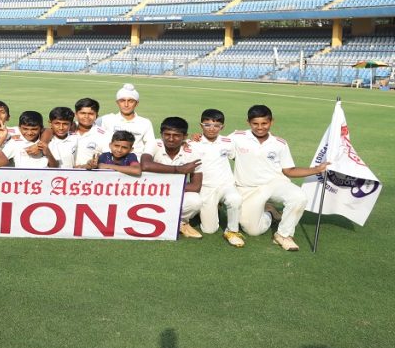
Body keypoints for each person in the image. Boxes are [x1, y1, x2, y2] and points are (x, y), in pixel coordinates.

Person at [230, 105, 329, 252]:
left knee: (299, 197)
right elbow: (217, 146)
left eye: (264, 123)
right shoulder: (237, 137)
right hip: (248, 188)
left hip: (274, 183)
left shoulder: (279, 143)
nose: (260, 127)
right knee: (253, 231)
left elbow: (289, 170)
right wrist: (197, 138)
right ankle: (269, 211)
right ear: (248, 122)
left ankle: (283, 235)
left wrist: (316, 170)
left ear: (271, 122)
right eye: (255, 124)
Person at [138, 117, 205, 240]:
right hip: (152, 192)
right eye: (167, 134)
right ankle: (160, 221)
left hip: (176, 192)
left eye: (176, 135)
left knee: (195, 201)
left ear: (185, 136)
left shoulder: (193, 151)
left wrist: (168, 188)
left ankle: (181, 223)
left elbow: (196, 186)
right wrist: (179, 169)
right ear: (161, 134)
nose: (171, 139)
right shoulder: (154, 143)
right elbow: (145, 165)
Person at [190, 109, 245, 247]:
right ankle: (212, 208)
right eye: (207, 125)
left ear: (222, 127)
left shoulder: (228, 142)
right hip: (205, 187)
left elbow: (237, 156)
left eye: (216, 125)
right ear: (201, 125)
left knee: (235, 199)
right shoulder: (192, 143)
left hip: (226, 185)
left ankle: (232, 231)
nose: (212, 129)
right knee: (209, 230)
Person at [98, 83, 155, 157]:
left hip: (135, 164)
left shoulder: (145, 123)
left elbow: (150, 145)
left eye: (131, 101)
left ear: (137, 103)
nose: (126, 104)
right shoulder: (106, 119)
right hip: (110, 163)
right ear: (117, 103)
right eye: (122, 101)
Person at [73, 97, 109, 168]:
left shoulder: (105, 135)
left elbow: (108, 160)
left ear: (97, 116)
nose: (86, 116)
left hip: (91, 177)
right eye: (83, 113)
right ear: (76, 114)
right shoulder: (66, 130)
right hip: (63, 174)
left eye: (91, 114)